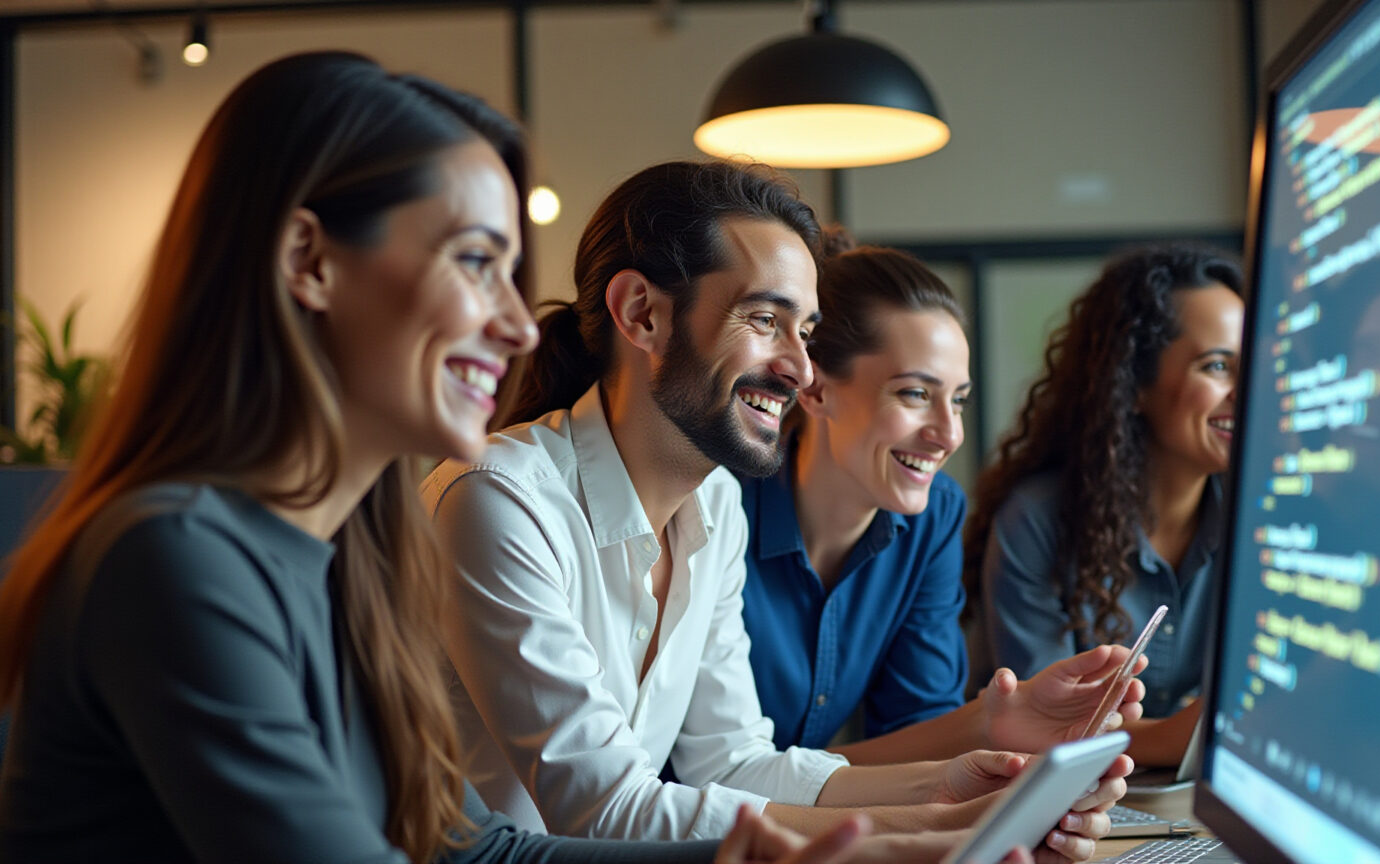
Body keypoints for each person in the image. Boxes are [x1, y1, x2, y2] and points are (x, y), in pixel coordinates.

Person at [0, 52, 864, 864]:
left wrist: (747, 854)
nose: (520, 325)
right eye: (476, 262)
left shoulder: (354, 560)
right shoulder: (176, 558)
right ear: (309, 262)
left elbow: (471, 847)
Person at [422, 161, 1132, 859]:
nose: (801, 368)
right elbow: (605, 808)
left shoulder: (718, 504)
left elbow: (732, 762)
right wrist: (940, 830)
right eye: (765, 318)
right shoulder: (496, 498)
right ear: (642, 313)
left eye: (807, 330)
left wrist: (950, 785)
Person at [738, 236, 1149, 767]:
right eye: (914, 394)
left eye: (958, 400)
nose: (948, 434)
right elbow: (712, 773)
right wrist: (981, 729)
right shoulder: (717, 508)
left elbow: (918, 732)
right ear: (814, 388)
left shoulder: (934, 515)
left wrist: (1000, 746)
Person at [964, 243, 1244, 767]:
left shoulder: (1261, 523)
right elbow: (1036, 732)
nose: (1246, 389)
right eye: (1217, 366)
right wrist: (1187, 736)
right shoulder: (1036, 523)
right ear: (1134, 386)